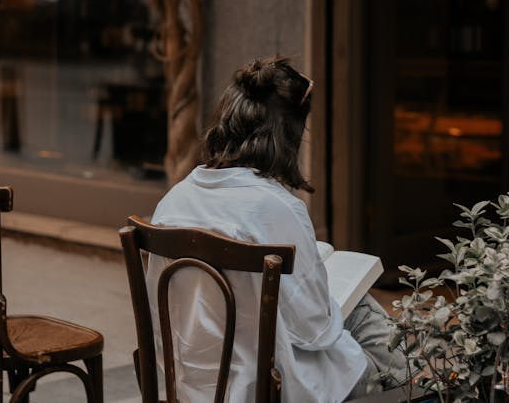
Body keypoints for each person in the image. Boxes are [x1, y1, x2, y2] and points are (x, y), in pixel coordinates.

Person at [146, 56, 408, 402]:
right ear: (288, 138)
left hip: (191, 386)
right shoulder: (278, 208)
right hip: (271, 388)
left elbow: (160, 314)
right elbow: (313, 331)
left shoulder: (173, 202)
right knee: (375, 329)